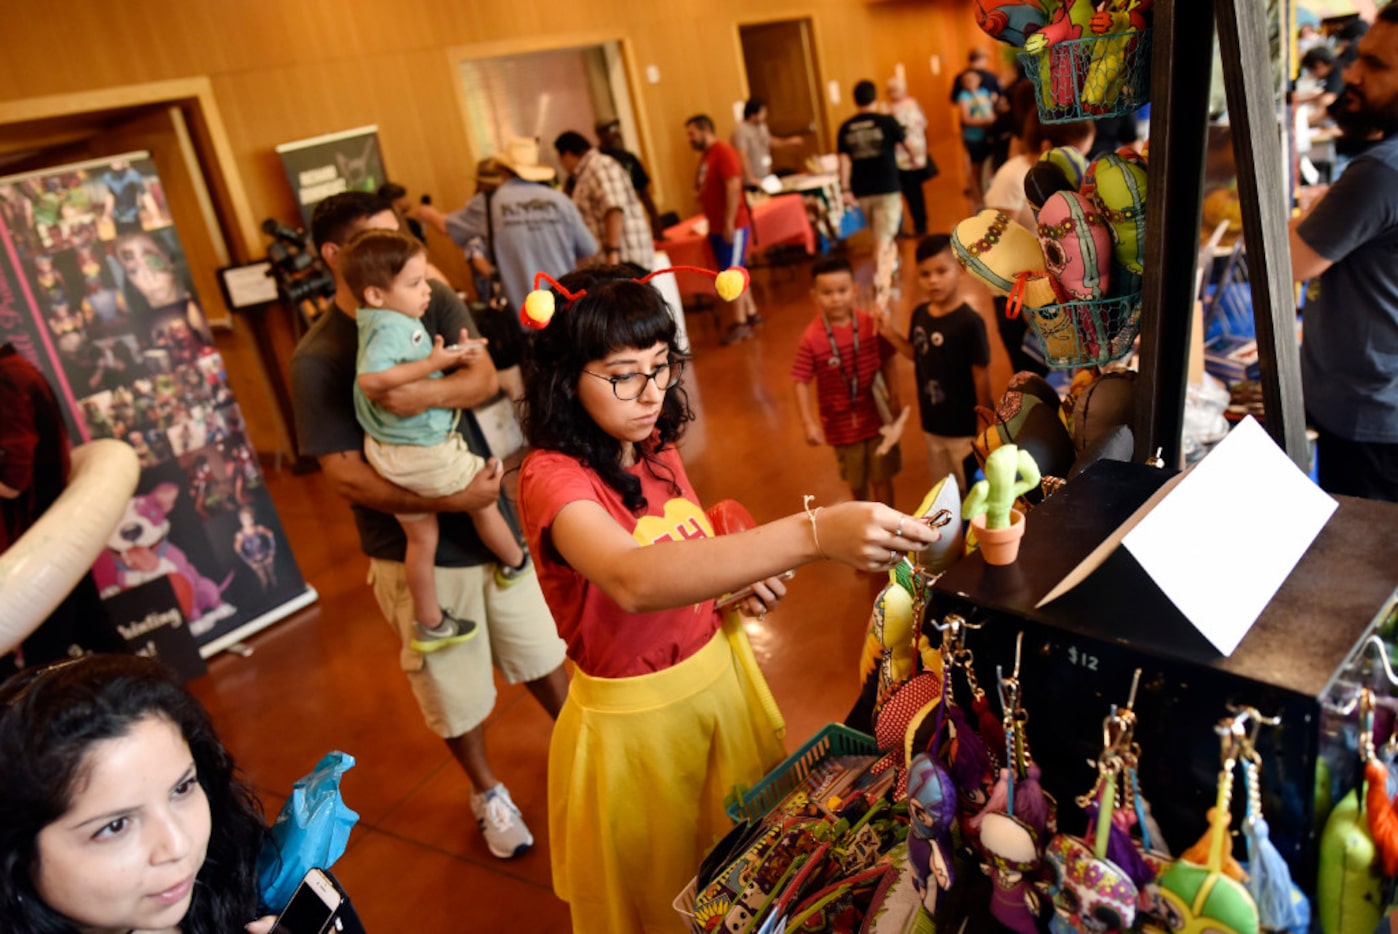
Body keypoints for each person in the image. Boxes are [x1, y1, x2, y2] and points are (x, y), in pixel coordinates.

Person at [515, 264, 941, 933]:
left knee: (746, 879)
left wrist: (731, 590)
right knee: (668, 897)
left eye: (662, 367)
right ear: (566, 376)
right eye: (624, 374)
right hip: (642, 732)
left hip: (723, 690)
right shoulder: (551, 479)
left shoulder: (653, 447)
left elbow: (686, 562)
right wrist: (813, 532)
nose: (650, 392)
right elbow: (633, 577)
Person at [289, 191, 569, 859]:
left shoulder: (426, 296)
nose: (412, 270)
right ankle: (487, 791)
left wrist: (418, 392)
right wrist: (452, 503)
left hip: (484, 503)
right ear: (337, 259)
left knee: (543, 653)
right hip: (411, 537)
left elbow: (483, 382)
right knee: (454, 688)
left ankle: (587, 747)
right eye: (377, 244)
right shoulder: (320, 357)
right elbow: (346, 476)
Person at [341, 228, 531, 653]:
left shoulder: (373, 319)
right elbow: (371, 380)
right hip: (421, 452)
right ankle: (517, 562)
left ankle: (430, 621)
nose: (426, 290)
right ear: (375, 294)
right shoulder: (394, 327)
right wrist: (433, 362)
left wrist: (449, 358)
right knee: (485, 495)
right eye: (414, 284)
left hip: (392, 452)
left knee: (420, 539)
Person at [0, 654, 275, 934]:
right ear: (16, 856)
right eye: (115, 826)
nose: (178, 845)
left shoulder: (228, 881)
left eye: (182, 789)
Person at [1289, 5, 1398, 502]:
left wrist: (1295, 221)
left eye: (1376, 66)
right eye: (1359, 58)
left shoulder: (1380, 172)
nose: (1351, 72)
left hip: (1368, 417)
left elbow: (1290, 261)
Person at [417, 137, 596, 315]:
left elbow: (445, 226)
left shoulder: (488, 203)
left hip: (522, 311)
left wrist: (428, 213)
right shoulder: (560, 200)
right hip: (566, 305)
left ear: (503, 170)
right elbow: (588, 250)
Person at [876, 235, 991, 493]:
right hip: (933, 424)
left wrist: (984, 419)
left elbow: (980, 374)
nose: (933, 280)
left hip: (964, 427)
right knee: (945, 488)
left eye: (941, 271)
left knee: (973, 490)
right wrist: (890, 334)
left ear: (959, 269)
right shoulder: (920, 314)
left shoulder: (970, 322)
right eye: (925, 274)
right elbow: (916, 354)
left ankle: (972, 533)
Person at [793, 256, 903, 506]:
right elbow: (800, 380)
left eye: (842, 290)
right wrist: (808, 423)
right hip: (840, 426)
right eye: (827, 293)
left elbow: (888, 359)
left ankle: (889, 524)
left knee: (882, 476)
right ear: (815, 296)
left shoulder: (870, 325)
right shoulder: (812, 338)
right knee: (856, 482)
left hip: (877, 419)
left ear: (855, 290)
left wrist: (894, 395)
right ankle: (862, 526)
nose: (836, 298)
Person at [684, 114, 761, 344]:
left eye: (692, 133)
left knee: (732, 273)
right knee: (735, 267)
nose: (690, 138)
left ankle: (739, 322)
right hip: (716, 225)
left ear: (705, 130)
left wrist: (728, 221)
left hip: (732, 224)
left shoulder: (724, 152)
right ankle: (751, 313)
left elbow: (732, 186)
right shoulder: (707, 157)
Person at [553, 130, 654, 269]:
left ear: (567, 154)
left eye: (560, 160)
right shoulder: (587, 172)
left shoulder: (599, 166)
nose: (563, 165)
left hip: (623, 260)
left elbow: (614, 209)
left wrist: (612, 254)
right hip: (617, 261)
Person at [837, 80, 906, 256]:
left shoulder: (846, 127)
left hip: (861, 189)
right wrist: (915, 159)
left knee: (878, 234)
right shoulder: (887, 121)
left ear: (855, 100)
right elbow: (906, 144)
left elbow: (844, 161)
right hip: (887, 186)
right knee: (883, 236)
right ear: (875, 97)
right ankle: (880, 276)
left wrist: (845, 188)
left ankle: (889, 267)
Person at [885, 77, 936, 237]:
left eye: (895, 90)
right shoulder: (893, 107)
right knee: (908, 192)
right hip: (902, 157)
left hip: (909, 156)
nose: (892, 94)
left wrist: (914, 153)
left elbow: (907, 130)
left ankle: (920, 225)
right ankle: (911, 224)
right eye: (889, 91)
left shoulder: (908, 106)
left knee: (913, 192)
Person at [595, 119, 664, 238]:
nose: (617, 133)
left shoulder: (629, 158)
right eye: (612, 129)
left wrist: (655, 220)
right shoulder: (596, 162)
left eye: (618, 128)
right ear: (600, 134)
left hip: (633, 220)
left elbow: (644, 192)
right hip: (609, 225)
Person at [731, 98, 805, 190]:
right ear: (753, 115)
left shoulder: (762, 127)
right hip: (752, 181)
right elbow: (742, 156)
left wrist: (789, 141)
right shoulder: (741, 131)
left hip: (765, 175)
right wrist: (751, 179)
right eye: (762, 113)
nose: (765, 115)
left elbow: (770, 141)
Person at [956, 70, 997, 209]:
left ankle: (989, 193)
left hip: (988, 134)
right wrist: (986, 121)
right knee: (976, 167)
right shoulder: (964, 96)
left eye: (973, 79)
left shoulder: (984, 92)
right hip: (974, 136)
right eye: (967, 80)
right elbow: (965, 118)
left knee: (989, 165)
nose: (971, 82)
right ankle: (978, 197)